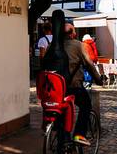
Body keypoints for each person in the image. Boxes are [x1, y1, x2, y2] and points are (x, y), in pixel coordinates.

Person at [40, 14, 104, 144]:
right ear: (72, 34)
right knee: (86, 105)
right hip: (73, 85)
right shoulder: (78, 45)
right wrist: (98, 79)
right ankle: (79, 134)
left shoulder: (51, 46)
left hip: (54, 88)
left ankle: (61, 138)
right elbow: (90, 65)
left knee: (61, 110)